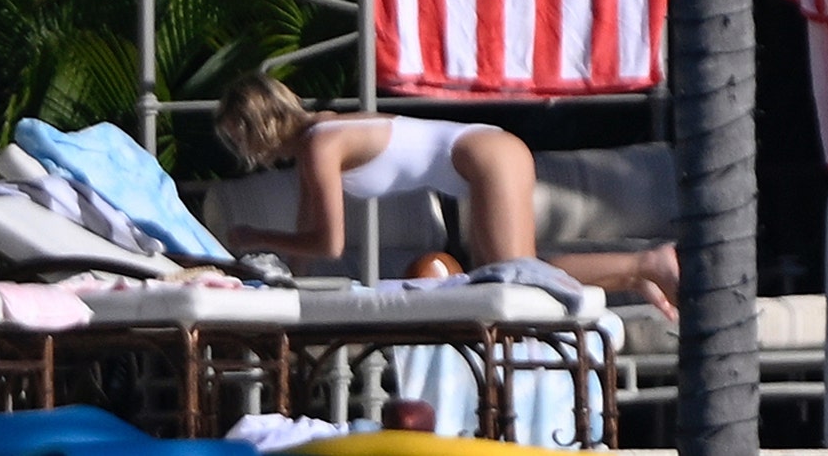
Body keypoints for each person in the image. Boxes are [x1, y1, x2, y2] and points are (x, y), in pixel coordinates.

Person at [214, 72, 680, 321]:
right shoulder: (319, 139)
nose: (243, 151)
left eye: (239, 137)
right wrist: (283, 295)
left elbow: (328, 243)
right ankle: (633, 275)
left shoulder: (321, 145)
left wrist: (256, 236)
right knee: (507, 276)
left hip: (487, 156)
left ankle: (647, 263)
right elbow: (306, 241)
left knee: (515, 276)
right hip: (485, 154)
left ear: (259, 125)